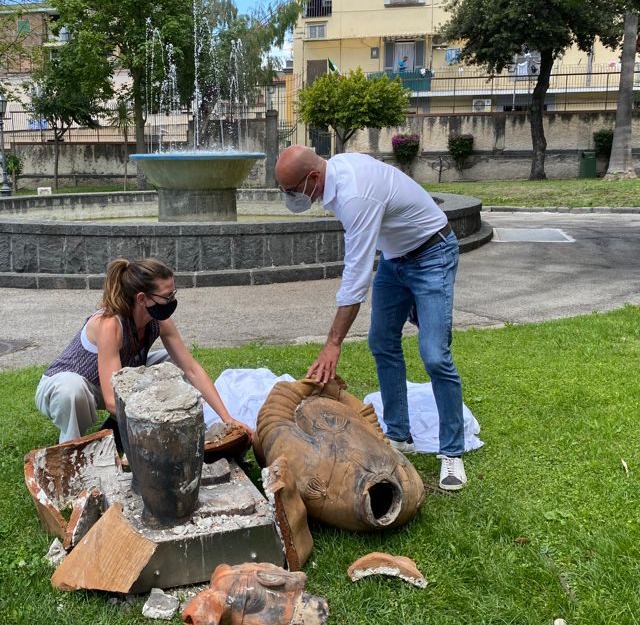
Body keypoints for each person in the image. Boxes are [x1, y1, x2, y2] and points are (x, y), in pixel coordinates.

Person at [274, 145, 467, 491]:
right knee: (382, 342)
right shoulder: (335, 177)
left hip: (432, 253)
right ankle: (398, 435)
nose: (290, 196)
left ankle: (451, 451)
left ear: (314, 178)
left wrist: (333, 343)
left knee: (435, 355)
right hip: (396, 259)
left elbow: (356, 277)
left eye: (291, 189)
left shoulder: (354, 194)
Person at [35, 258, 250, 449]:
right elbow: (112, 400)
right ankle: (70, 450)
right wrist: (157, 424)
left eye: (173, 293)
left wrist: (227, 418)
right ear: (141, 298)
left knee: (171, 365)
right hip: (66, 387)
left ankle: (119, 430)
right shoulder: (110, 324)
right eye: (167, 296)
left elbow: (191, 369)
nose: (171, 301)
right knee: (72, 389)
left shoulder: (159, 320)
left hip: (111, 382)